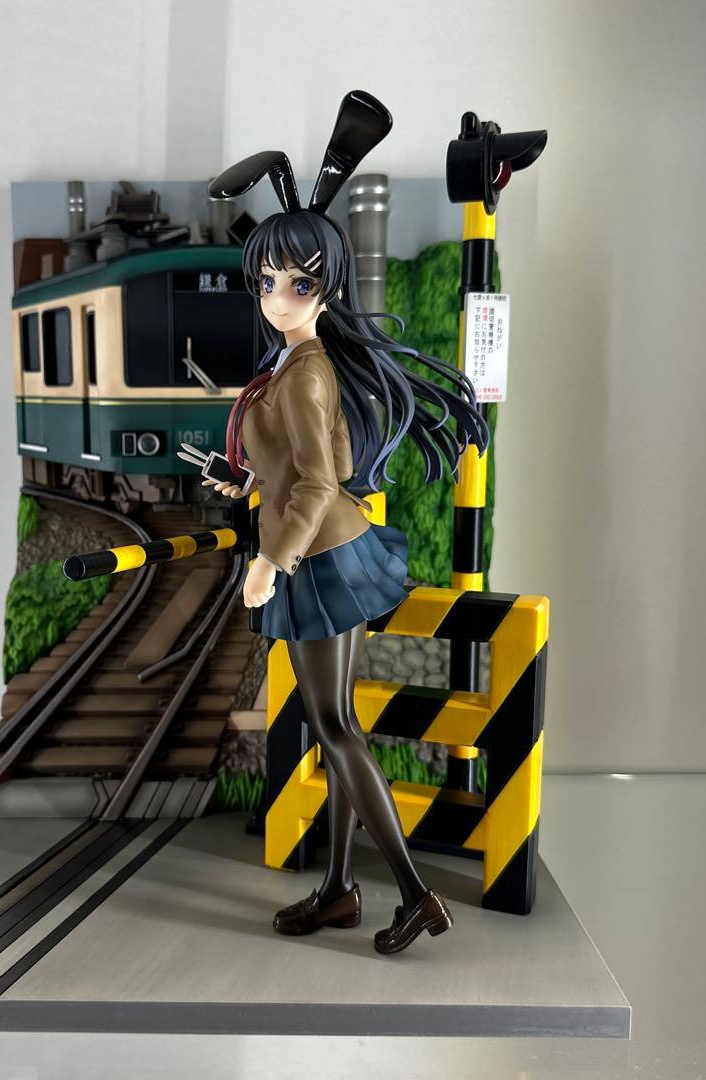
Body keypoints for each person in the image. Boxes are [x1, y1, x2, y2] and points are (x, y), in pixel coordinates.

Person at [204, 90, 490, 955]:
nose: (277, 296)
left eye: (297, 282)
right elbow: (303, 463)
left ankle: (415, 895)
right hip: (329, 550)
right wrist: (242, 481)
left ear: (328, 287)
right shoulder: (295, 362)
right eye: (266, 280)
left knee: (334, 727)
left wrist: (270, 562)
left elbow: (320, 482)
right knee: (337, 726)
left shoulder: (305, 371)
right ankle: (337, 889)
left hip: (319, 558)